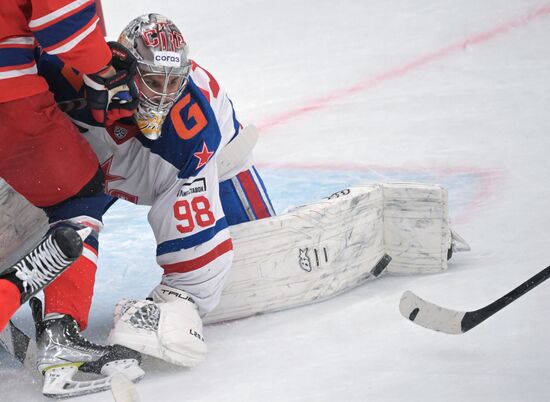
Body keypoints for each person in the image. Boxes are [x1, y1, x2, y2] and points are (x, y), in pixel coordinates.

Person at [31, 12, 274, 394]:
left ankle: (261, 227)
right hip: (93, 155)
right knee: (71, 204)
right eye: (153, 80)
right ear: (124, 66)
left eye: (171, 82)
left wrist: (177, 303)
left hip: (203, 159)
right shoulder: (64, 71)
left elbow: (197, 264)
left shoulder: (190, 132)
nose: (162, 94)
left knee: (232, 245)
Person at [0, 0, 144, 393]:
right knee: (79, 197)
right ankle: (61, 335)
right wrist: (104, 67)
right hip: (7, 96)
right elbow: (62, 23)